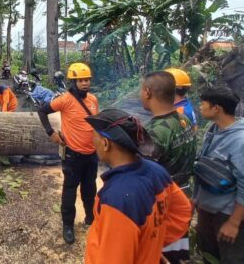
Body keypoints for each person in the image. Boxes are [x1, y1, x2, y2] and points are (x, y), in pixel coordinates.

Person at [83, 109, 192, 263]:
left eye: (93, 137)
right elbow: (183, 211)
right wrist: (152, 244)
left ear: (105, 143)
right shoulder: (157, 171)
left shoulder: (117, 200)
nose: (91, 142)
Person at [194, 87, 244, 264]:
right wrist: (196, 200)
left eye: (203, 103)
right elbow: (203, 168)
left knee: (231, 259)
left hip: (227, 214)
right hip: (208, 210)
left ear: (216, 108)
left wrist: (234, 223)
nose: (199, 107)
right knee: (209, 257)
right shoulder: (213, 132)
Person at [37, 62, 99, 244]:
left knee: (90, 188)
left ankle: (90, 218)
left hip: (91, 155)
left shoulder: (93, 100)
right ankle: (68, 226)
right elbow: (42, 111)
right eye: (81, 80)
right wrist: (51, 133)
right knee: (70, 191)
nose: (85, 83)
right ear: (73, 82)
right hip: (73, 155)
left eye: (87, 79)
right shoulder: (65, 99)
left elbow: (95, 123)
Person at [140, 71, 197, 263]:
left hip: (165, 207)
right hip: (183, 197)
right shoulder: (184, 119)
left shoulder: (155, 132)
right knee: (178, 250)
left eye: (141, 90)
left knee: (161, 253)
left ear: (147, 92)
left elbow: (145, 177)